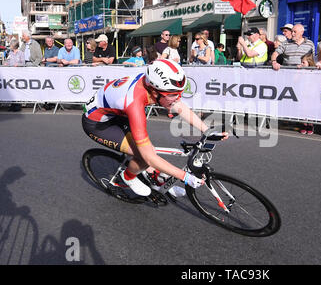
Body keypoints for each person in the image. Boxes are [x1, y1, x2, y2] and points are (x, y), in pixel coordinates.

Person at [81, 59, 229, 197]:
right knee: (145, 155)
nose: (177, 98)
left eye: (179, 93)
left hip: (116, 112)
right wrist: (184, 177)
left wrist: (207, 131)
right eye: (172, 94)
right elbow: (149, 156)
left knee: (146, 149)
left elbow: (178, 106)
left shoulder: (151, 85)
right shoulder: (135, 104)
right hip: (98, 124)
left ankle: (157, 181)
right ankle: (128, 177)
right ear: (154, 91)